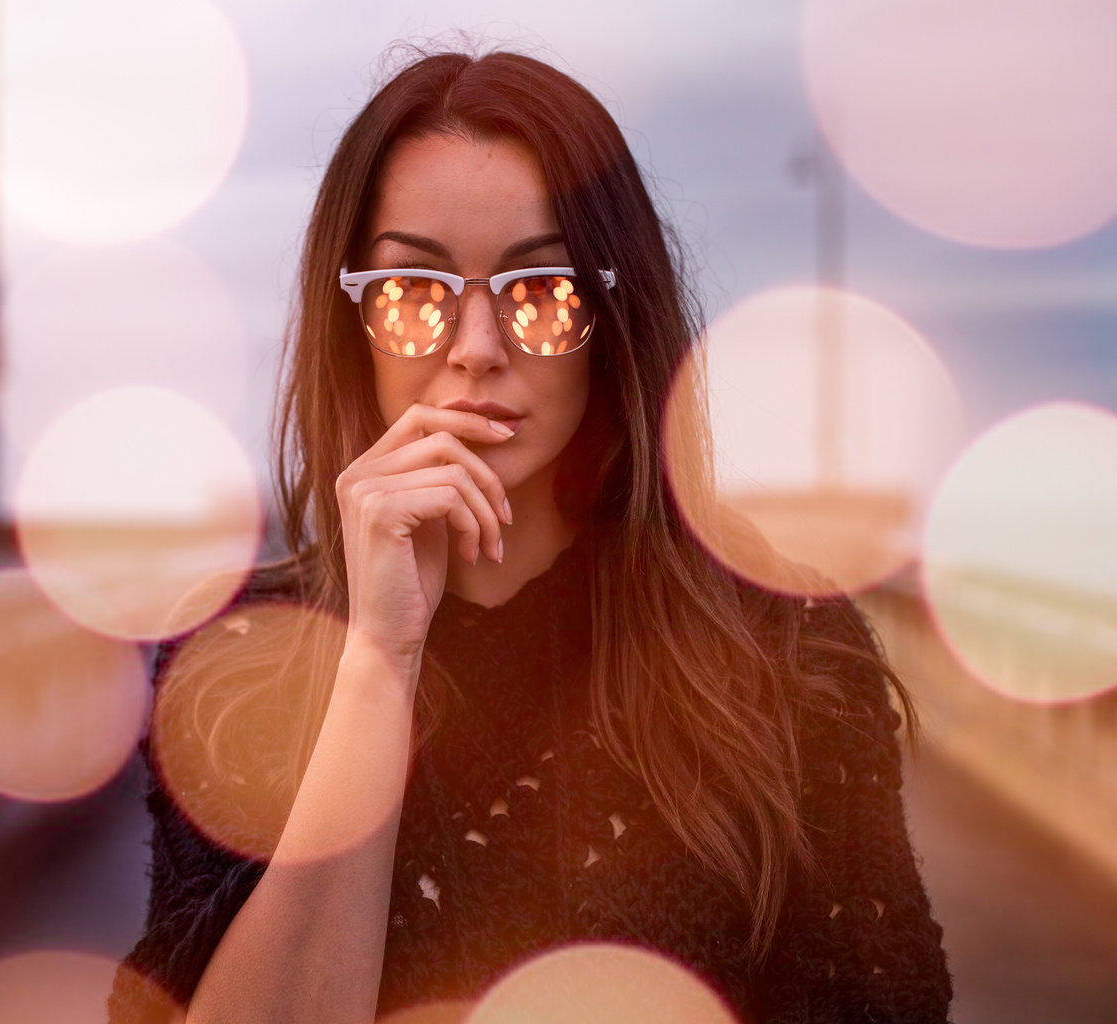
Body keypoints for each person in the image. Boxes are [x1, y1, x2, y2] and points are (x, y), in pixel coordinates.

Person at [108, 48, 952, 1024]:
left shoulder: (786, 651)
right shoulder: (234, 663)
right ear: (351, 325)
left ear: (613, 311)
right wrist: (379, 658)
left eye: (538, 292)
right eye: (414, 293)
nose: (473, 349)